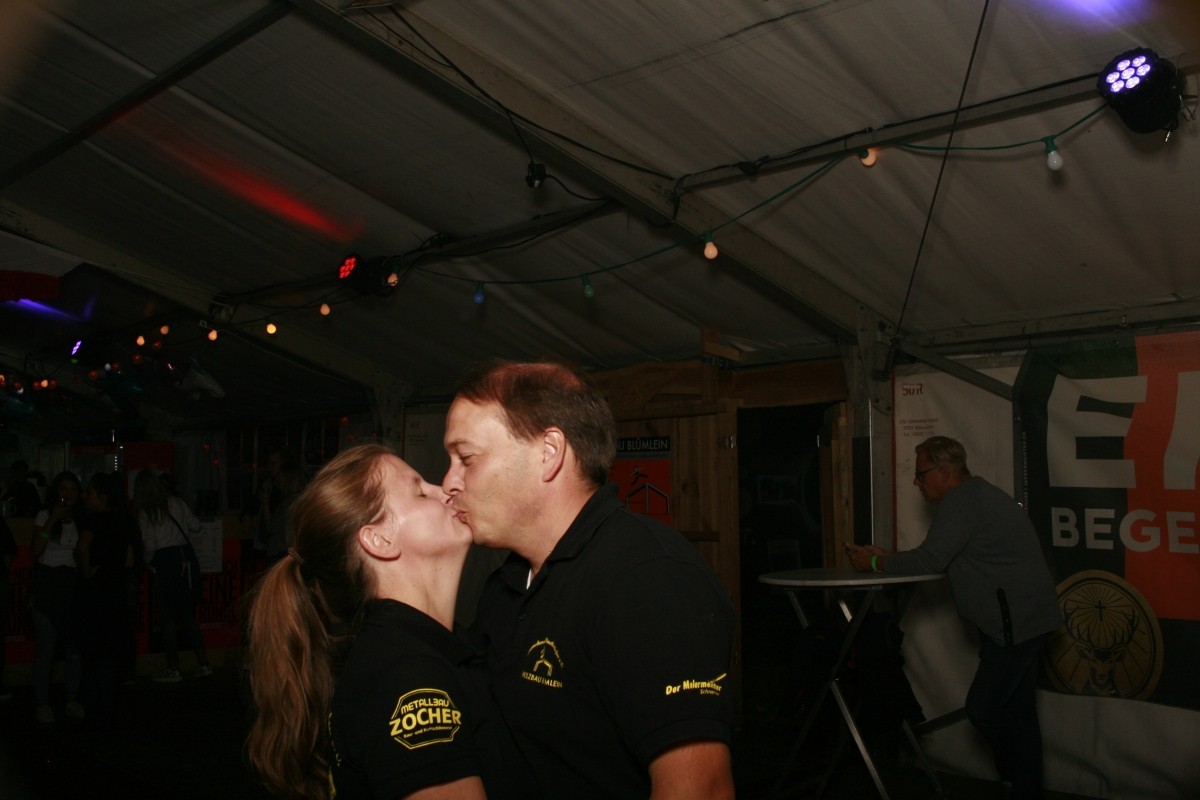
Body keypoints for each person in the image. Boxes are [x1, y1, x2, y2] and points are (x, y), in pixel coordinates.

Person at [442, 360, 737, 800]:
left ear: (549, 452)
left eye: (466, 459)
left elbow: (702, 789)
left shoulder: (647, 580)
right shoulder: (508, 585)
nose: (449, 482)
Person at [244, 443, 532, 800]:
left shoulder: (424, 650)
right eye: (419, 491)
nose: (444, 490)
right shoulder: (408, 677)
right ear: (379, 540)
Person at [845, 435, 1063, 800]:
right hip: (1024, 621)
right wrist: (887, 558)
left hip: (1015, 625)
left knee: (984, 709)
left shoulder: (962, 501)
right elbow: (939, 555)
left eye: (921, 474)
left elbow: (931, 560)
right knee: (1019, 713)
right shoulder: (974, 496)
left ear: (944, 471)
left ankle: (1017, 779)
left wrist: (874, 563)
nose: (916, 481)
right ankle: (1022, 788)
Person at [133, 470, 211, 682]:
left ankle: (173, 667)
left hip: (164, 562)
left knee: (167, 618)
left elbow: (150, 545)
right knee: (187, 614)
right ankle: (204, 662)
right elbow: (196, 526)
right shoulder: (176, 502)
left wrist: (147, 562)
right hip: (184, 558)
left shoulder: (146, 512)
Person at [75, 471, 136, 722]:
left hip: (96, 590)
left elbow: (82, 548)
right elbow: (129, 560)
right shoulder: (125, 521)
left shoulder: (93, 521)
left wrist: (86, 571)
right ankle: (108, 704)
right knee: (111, 649)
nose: (85, 496)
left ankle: (92, 703)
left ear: (102, 496)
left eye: (90, 492)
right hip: (116, 590)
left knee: (93, 648)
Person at [29, 471, 86, 724]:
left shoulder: (82, 518)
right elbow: (35, 549)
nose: (68, 494)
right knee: (46, 650)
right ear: (56, 491)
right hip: (48, 585)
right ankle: (42, 703)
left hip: (72, 585)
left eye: (73, 489)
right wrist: (52, 520)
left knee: (74, 650)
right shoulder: (45, 515)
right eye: (64, 489)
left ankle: (71, 699)